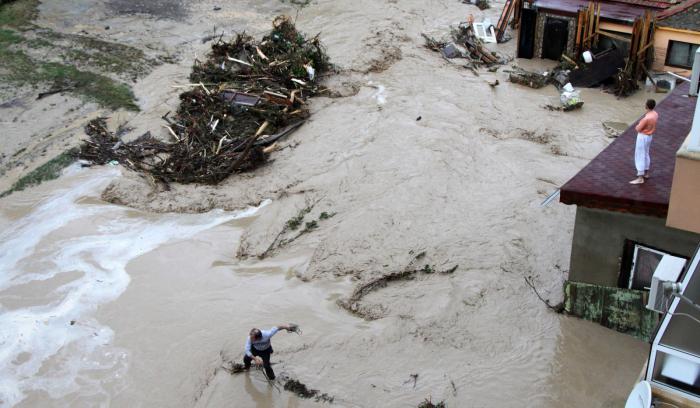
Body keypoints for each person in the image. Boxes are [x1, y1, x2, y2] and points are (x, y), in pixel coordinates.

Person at [630, 99, 658, 185]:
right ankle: (646, 173)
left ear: (646, 106)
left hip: (643, 137)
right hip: (649, 136)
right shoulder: (655, 114)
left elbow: (638, 128)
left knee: (639, 155)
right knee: (646, 153)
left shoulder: (646, 118)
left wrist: (638, 124)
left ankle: (640, 177)